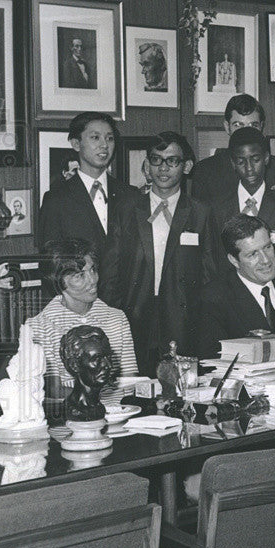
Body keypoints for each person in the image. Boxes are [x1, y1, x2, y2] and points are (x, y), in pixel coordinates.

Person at [100, 132, 216, 375]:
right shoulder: (126, 210)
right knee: (136, 388)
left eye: (172, 161)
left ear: (186, 167)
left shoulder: (200, 213)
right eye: (156, 160)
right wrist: (113, 317)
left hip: (183, 319)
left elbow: (209, 274)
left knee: (180, 391)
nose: (163, 168)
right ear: (146, 167)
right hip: (135, 314)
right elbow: (111, 270)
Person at [22, 238, 137, 397]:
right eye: (80, 276)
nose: (93, 280)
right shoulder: (39, 326)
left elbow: (131, 381)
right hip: (72, 416)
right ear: (59, 282)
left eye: (93, 270)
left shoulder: (117, 318)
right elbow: (53, 391)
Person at [197, 215, 275, 359]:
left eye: (267, 247)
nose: (266, 260)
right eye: (253, 254)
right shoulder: (214, 298)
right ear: (234, 260)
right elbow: (212, 362)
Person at [38, 112, 134, 262]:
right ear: (76, 144)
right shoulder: (56, 199)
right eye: (95, 137)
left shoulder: (130, 195)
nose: (104, 145)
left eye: (109, 138)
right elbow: (50, 263)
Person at [207, 127, 275, 275]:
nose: (249, 168)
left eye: (255, 160)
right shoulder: (217, 208)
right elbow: (211, 262)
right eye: (241, 161)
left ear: (267, 158)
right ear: (233, 163)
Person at [189, 94, 275, 202]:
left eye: (253, 125)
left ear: (261, 127)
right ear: (227, 127)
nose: (246, 132)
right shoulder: (205, 171)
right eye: (238, 125)